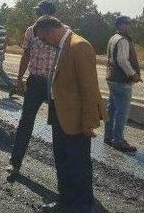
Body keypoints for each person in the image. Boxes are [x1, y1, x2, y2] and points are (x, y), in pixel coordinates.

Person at [34, 16, 107, 213]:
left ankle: (82, 206)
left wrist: (88, 123)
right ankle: (65, 202)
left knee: (78, 164)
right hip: (60, 115)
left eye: (43, 38)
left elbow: (89, 89)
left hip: (76, 119)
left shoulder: (79, 46)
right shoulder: (61, 46)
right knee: (63, 161)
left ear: (51, 31)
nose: (44, 42)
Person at [6, 1, 57, 176]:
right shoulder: (31, 31)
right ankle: (15, 163)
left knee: (59, 125)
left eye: (40, 12)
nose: (37, 15)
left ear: (48, 13)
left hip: (56, 83)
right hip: (35, 81)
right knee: (26, 122)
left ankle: (64, 173)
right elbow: (26, 54)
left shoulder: (63, 32)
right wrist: (19, 79)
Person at [104, 16, 142, 153]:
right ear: (121, 25)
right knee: (122, 112)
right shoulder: (123, 41)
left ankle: (108, 136)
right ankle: (118, 140)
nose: (131, 26)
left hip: (112, 78)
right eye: (129, 24)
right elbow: (122, 61)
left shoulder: (113, 38)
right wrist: (133, 75)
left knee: (112, 109)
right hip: (121, 81)